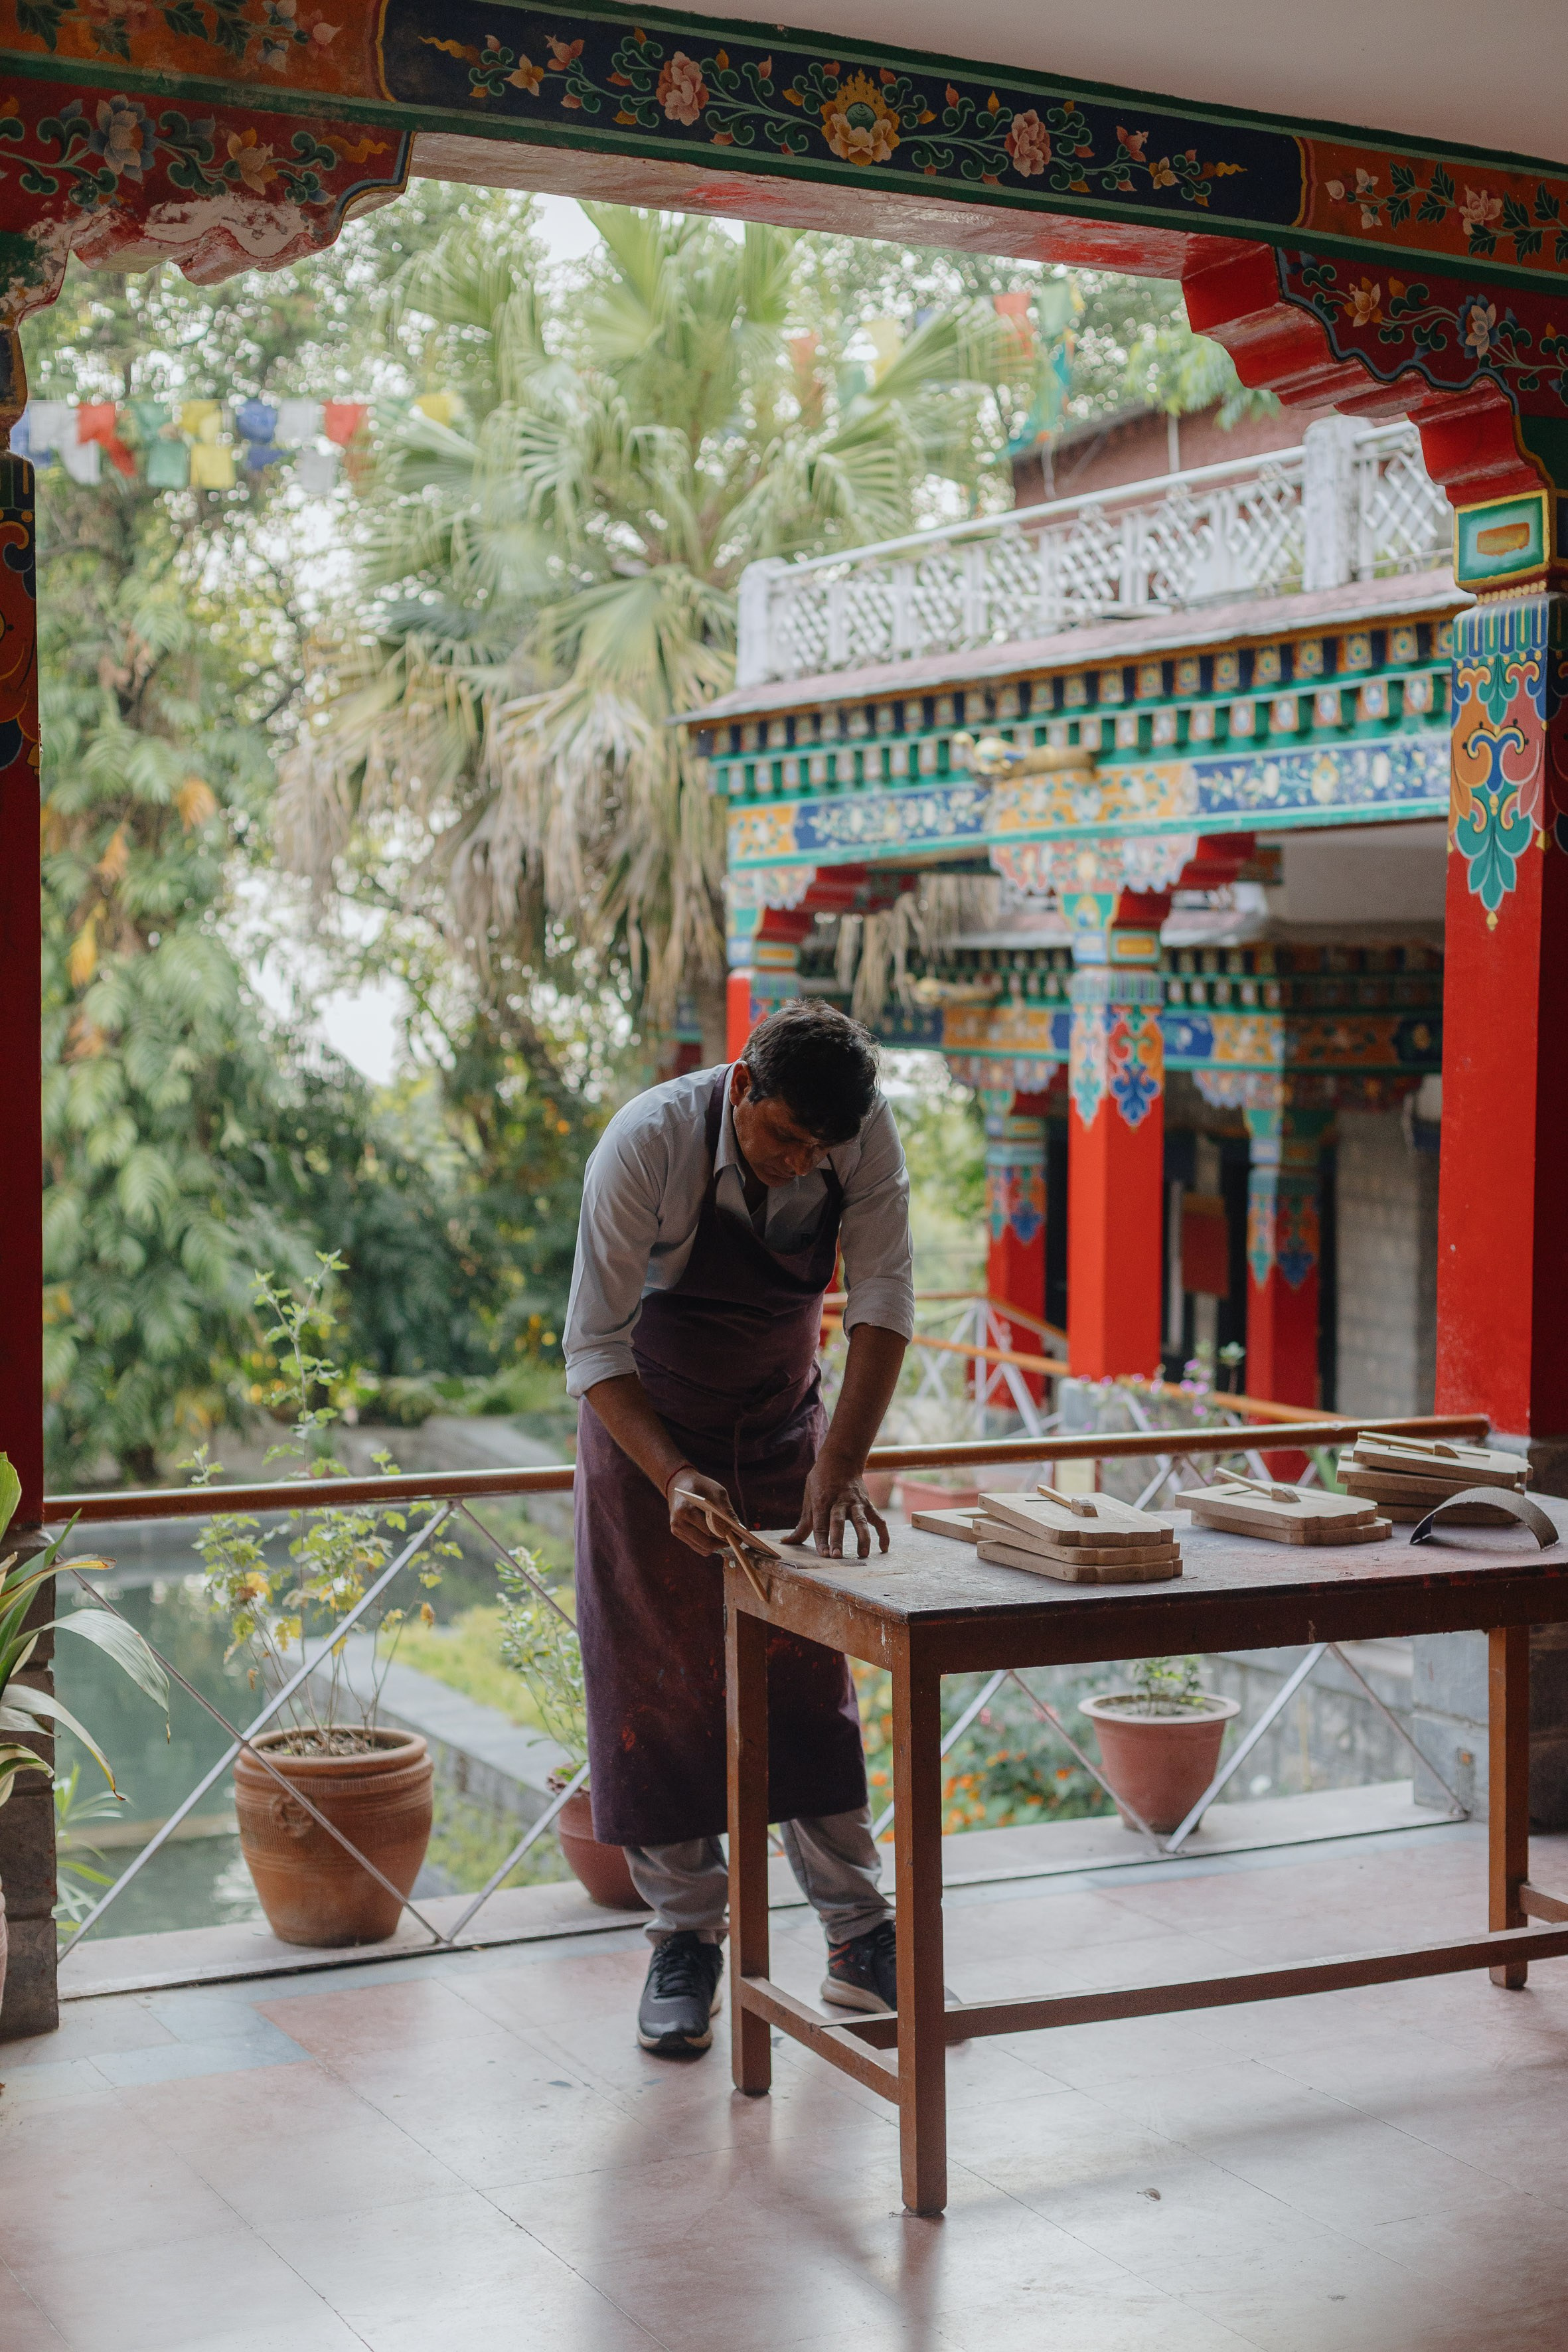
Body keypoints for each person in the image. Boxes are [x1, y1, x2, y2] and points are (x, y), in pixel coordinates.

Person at [564, 1001, 914, 2055]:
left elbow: (885, 1298)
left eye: (820, 1148)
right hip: (646, 1439)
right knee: (653, 1684)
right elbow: (591, 1346)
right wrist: (671, 1475)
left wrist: (839, 1463)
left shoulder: (860, 1135)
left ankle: (860, 1937)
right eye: (782, 1139)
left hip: (780, 1431)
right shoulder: (647, 1144)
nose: (799, 1162)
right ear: (740, 1089)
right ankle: (685, 1941)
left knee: (812, 1675)